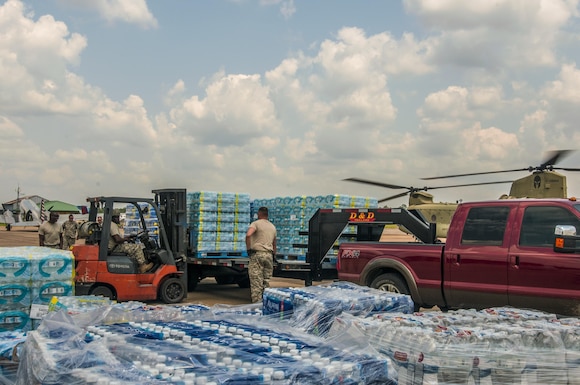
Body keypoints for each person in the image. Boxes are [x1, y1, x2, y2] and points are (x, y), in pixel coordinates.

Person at [246, 206, 277, 303]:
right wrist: (274, 255)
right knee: (266, 282)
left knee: (256, 282)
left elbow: (248, 235)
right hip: (269, 255)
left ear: (259, 214)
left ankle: (257, 305)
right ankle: (266, 304)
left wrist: (249, 248)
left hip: (258, 255)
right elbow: (274, 243)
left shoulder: (255, 224)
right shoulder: (272, 227)